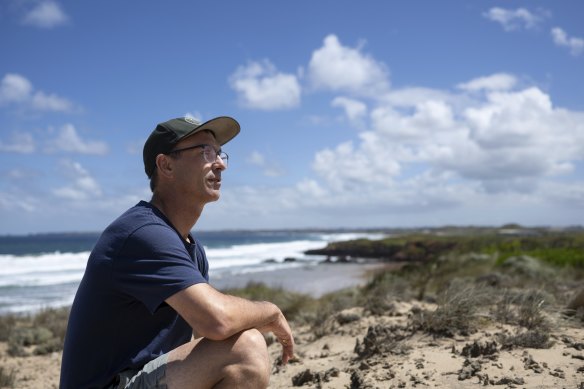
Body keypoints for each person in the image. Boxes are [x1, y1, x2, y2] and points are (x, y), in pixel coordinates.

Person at [60, 116, 294, 389]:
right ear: (166, 165)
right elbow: (216, 321)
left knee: (236, 343)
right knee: (246, 348)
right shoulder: (143, 234)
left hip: (143, 378)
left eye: (219, 153)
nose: (219, 164)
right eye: (206, 152)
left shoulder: (188, 246)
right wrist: (271, 312)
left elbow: (206, 331)